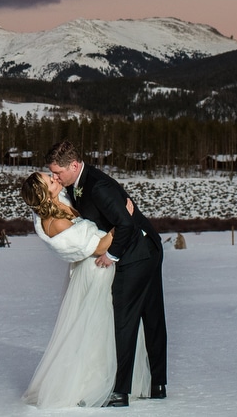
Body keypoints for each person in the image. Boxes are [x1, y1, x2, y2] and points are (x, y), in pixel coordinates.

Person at [45, 139, 168, 407]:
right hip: (146, 249)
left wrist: (110, 256)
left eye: (58, 172)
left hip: (137, 254)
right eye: (52, 173)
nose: (54, 176)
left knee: (128, 318)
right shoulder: (79, 184)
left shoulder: (97, 185)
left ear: (74, 165)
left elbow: (125, 225)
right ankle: (157, 384)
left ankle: (120, 391)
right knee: (150, 315)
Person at [19, 171, 150, 409]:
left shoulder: (62, 202)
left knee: (105, 324)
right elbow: (99, 247)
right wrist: (123, 219)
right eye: (50, 180)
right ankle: (93, 383)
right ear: (45, 195)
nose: (55, 178)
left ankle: (117, 378)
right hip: (95, 270)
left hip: (98, 268)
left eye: (52, 174)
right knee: (98, 327)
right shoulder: (55, 222)